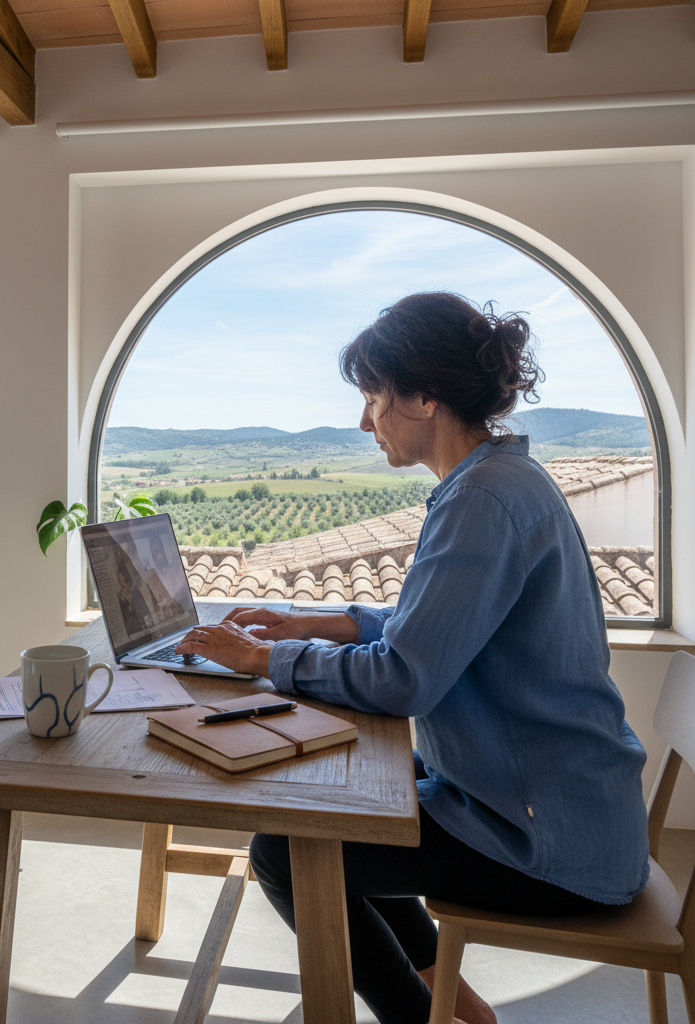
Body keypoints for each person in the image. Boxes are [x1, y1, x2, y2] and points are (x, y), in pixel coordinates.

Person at [174, 292, 649, 1024]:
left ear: (425, 396)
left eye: (373, 397)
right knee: (359, 807)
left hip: (550, 842)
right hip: (561, 809)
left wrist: (261, 659)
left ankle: (419, 1015)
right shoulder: (495, 482)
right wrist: (313, 621)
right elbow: (429, 626)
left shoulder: (481, 502)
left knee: (284, 851)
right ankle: (452, 1006)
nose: (366, 421)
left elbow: (403, 678)